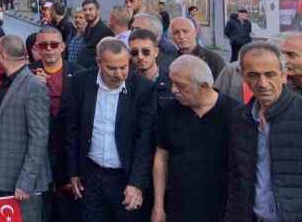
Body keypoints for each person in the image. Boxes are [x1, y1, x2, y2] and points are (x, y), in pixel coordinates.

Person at [63, 37, 156, 222]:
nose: (119, 74)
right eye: (112, 68)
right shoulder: (81, 82)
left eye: (123, 67)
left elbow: (145, 141)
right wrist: (73, 172)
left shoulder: (142, 89)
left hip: (125, 179)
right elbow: (71, 131)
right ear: (99, 62)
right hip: (91, 176)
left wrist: (136, 183)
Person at [0, 35, 50, 222]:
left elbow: (39, 138)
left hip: (19, 182)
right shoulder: (8, 81)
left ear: (3, 55)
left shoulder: (34, 87)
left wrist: (26, 181)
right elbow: (1, 111)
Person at [152, 55, 238, 222]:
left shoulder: (235, 113)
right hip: (179, 206)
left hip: (222, 208)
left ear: (204, 86)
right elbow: (162, 156)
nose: (173, 90)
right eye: (172, 83)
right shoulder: (169, 111)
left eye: (181, 86)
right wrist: (158, 206)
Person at [224, 41, 302, 222]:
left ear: (284, 75)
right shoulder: (240, 118)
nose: (262, 83)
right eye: (253, 75)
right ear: (243, 77)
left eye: (270, 74)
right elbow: (237, 180)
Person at [28, 27, 80, 222]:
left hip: (69, 157)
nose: (49, 49)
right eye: (44, 45)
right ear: (37, 49)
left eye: (54, 44)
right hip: (39, 156)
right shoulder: (27, 74)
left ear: (63, 47)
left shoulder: (79, 74)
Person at [129, 29, 173, 109]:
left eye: (146, 51)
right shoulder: (126, 83)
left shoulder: (171, 81)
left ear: (156, 52)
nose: (140, 57)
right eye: (134, 52)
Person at [77, 0, 115, 69]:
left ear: (98, 11)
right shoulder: (87, 28)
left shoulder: (105, 31)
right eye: (85, 10)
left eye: (90, 9)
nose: (87, 12)